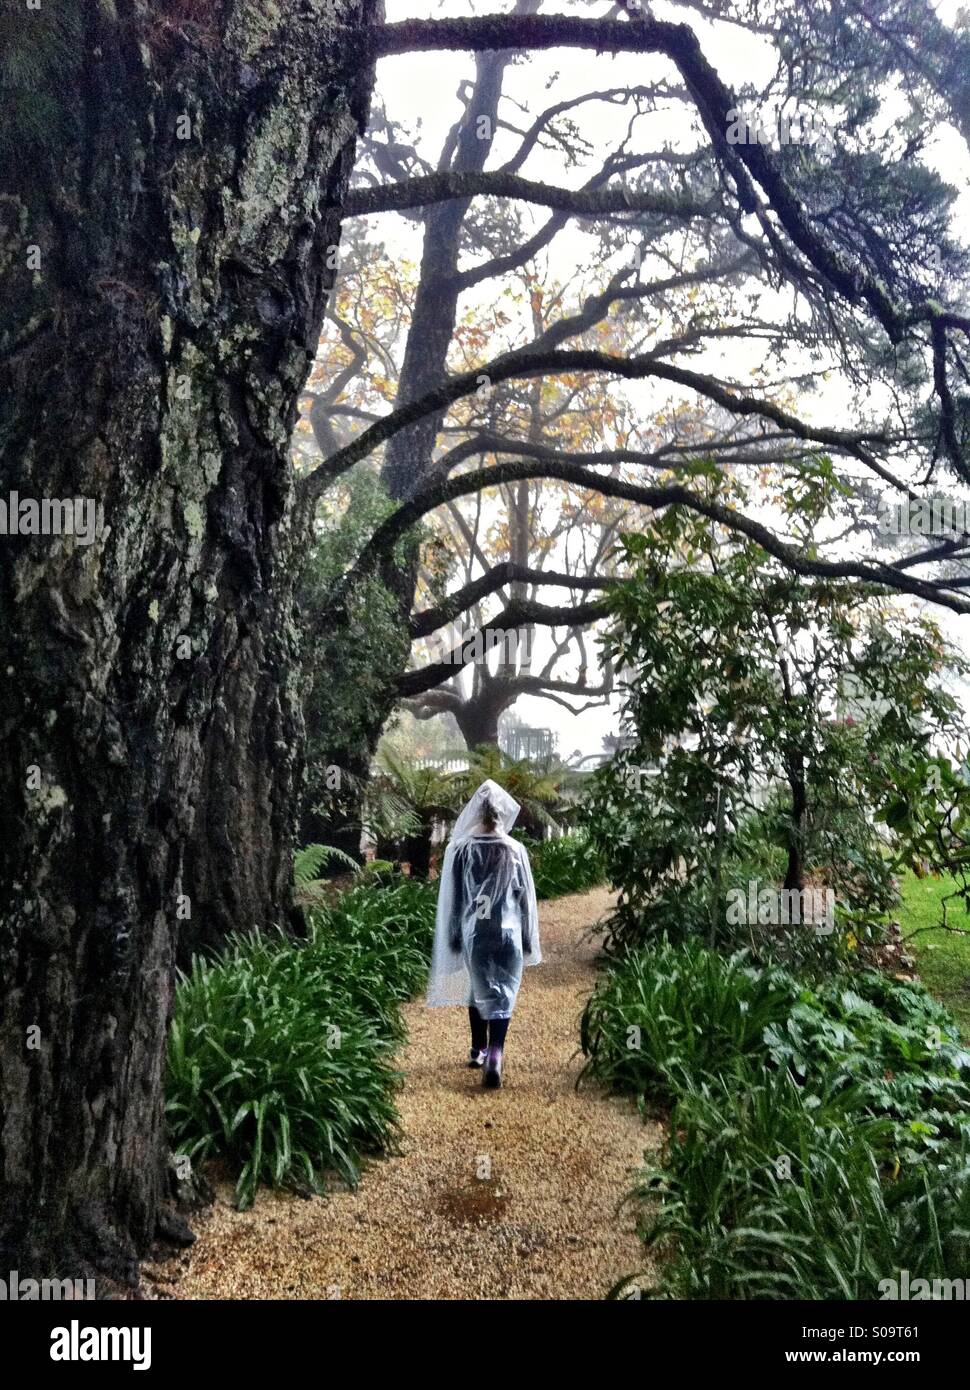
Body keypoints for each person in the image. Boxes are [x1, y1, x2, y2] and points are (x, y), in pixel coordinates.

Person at [426, 779, 541, 1089]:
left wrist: (453, 932)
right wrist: (529, 935)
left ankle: (478, 1048)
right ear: (502, 814)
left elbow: (457, 899)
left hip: (477, 932)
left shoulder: (462, 849)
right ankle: (495, 1053)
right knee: (504, 993)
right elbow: (525, 898)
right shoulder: (516, 849)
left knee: (477, 989)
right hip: (509, 933)